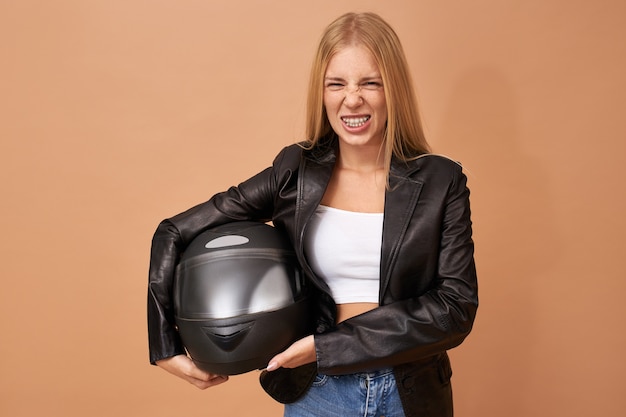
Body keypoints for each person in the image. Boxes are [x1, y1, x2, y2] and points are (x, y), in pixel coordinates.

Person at [148, 11, 478, 417]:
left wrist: (326, 347)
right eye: (336, 83)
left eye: (370, 83)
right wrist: (164, 345)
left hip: (410, 393)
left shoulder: (441, 181)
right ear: (321, 92)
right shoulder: (294, 172)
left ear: (393, 89)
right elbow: (173, 232)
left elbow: (454, 307)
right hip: (318, 393)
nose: (351, 99)